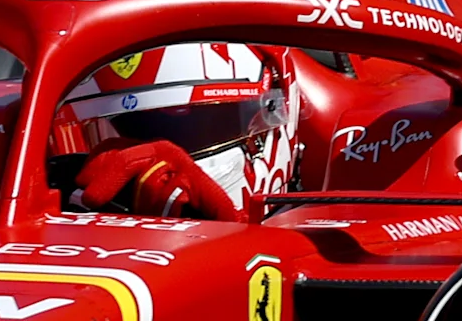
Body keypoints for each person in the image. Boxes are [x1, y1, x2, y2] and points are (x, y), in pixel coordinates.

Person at [54, 40, 301, 219]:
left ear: (275, 112)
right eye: (133, 127)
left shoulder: (319, 236)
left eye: (191, 127)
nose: (154, 160)